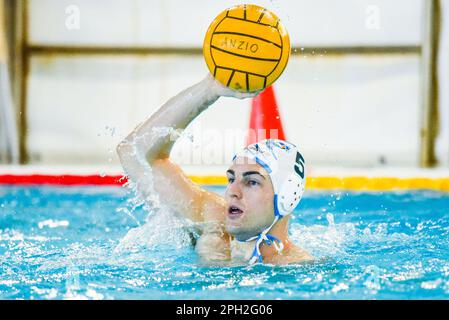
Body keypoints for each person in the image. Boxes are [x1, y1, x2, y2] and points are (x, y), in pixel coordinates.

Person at [116, 73, 313, 265]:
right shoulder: (213, 222)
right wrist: (209, 89)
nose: (232, 193)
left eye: (251, 182)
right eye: (231, 179)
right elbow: (133, 151)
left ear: (286, 196)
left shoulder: (297, 267)